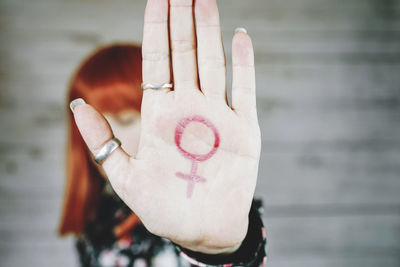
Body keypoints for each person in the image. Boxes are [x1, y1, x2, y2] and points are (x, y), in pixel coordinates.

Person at [59, 0, 267, 266]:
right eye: (92, 123)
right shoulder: (95, 222)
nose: (104, 137)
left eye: (125, 119)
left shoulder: (194, 208)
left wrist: (219, 252)